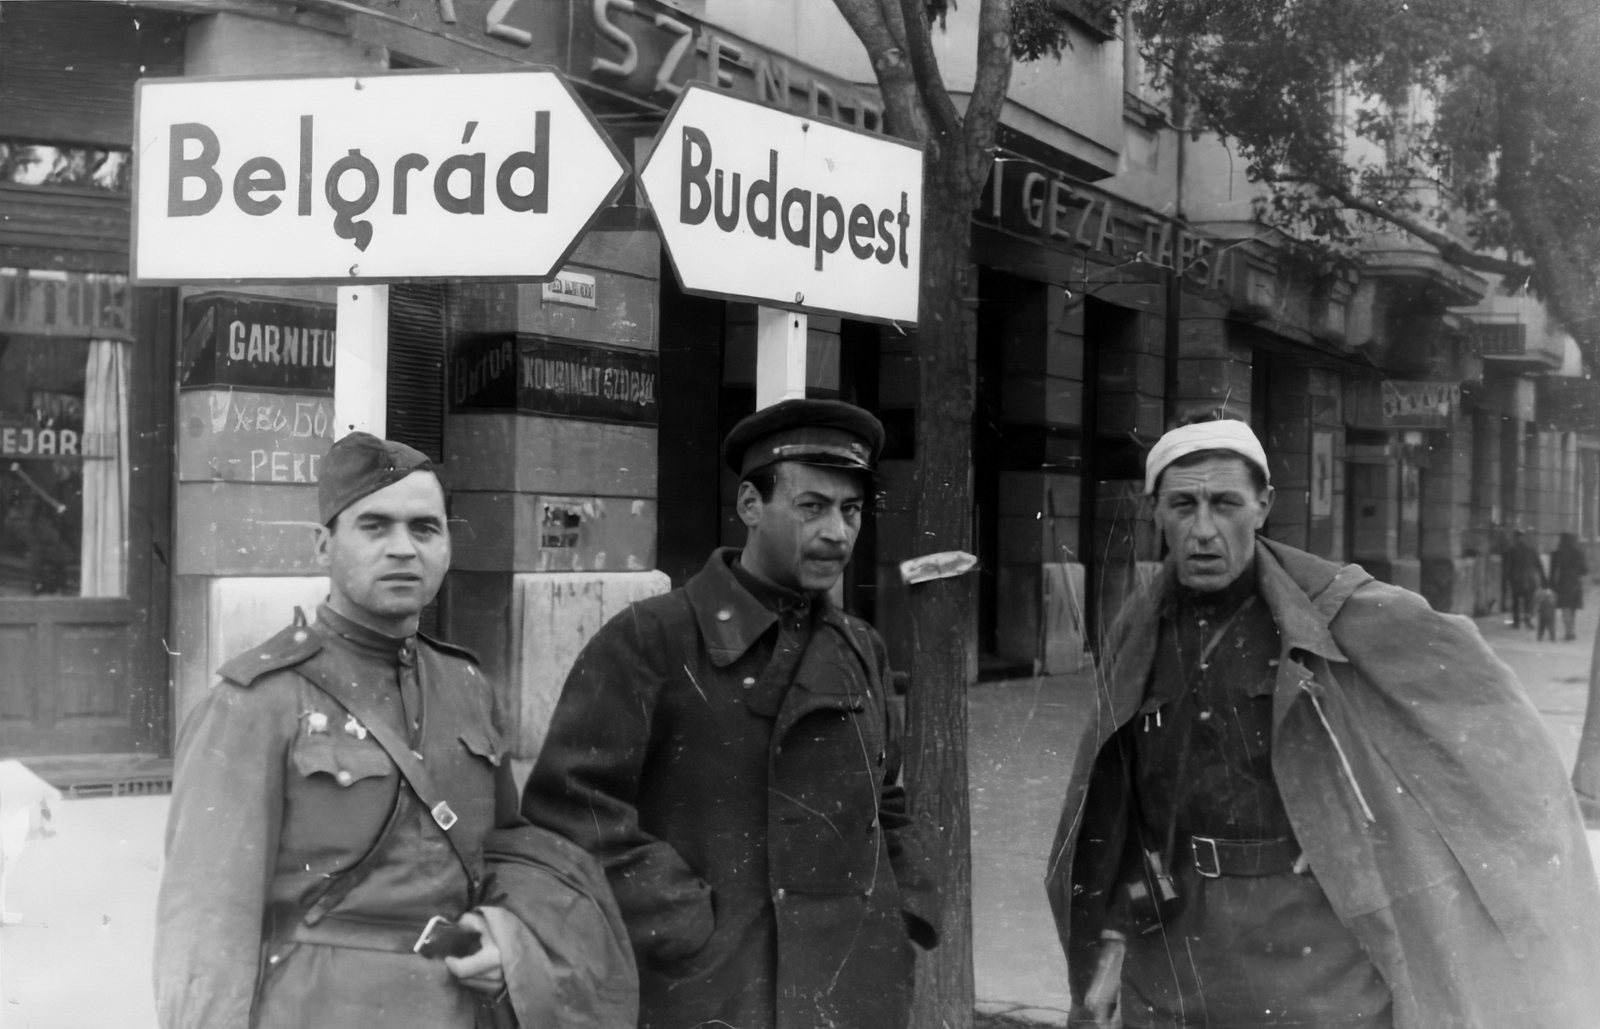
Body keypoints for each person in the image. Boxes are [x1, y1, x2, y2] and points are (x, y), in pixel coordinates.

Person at [1045, 417, 1600, 1029]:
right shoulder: (1138, 631)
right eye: (1183, 504)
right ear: (1154, 511)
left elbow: (1486, 718)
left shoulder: (1342, 611)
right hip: (1176, 944)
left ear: (1262, 507)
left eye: (1226, 503)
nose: (1204, 530)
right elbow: (1113, 802)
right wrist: (1113, 943)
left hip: (1313, 946)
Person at [154, 432, 636, 1029]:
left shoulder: (464, 685)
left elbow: (510, 851)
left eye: (425, 528)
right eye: (375, 527)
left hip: (459, 1005)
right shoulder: (255, 702)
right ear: (323, 545)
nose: (403, 549)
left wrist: (499, 933)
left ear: (448, 546)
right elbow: (204, 925)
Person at [522, 398, 940, 1029]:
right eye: (812, 507)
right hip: (718, 991)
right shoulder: (650, 639)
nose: (837, 532)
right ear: (750, 505)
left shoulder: (861, 646)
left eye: (850, 511)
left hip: (851, 991)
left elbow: (887, 802)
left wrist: (903, 910)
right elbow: (569, 806)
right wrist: (683, 920)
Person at [1549, 531, 1588, 641]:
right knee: (1573, 607)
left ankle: (1567, 632)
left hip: (1563, 582)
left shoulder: (1557, 552)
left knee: (1565, 607)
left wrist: (1551, 585)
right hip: (1575, 582)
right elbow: (1584, 570)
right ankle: (1571, 631)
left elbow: (1553, 571)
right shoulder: (1578, 551)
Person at [1505, 527, 1546, 629]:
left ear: (1515, 537)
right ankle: (1527, 621)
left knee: (1516, 601)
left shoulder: (1512, 549)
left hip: (1516, 580)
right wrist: (1543, 577)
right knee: (1528, 602)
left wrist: (1508, 577)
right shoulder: (1531, 548)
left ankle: (1516, 622)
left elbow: (1508, 566)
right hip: (1529, 579)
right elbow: (1538, 564)